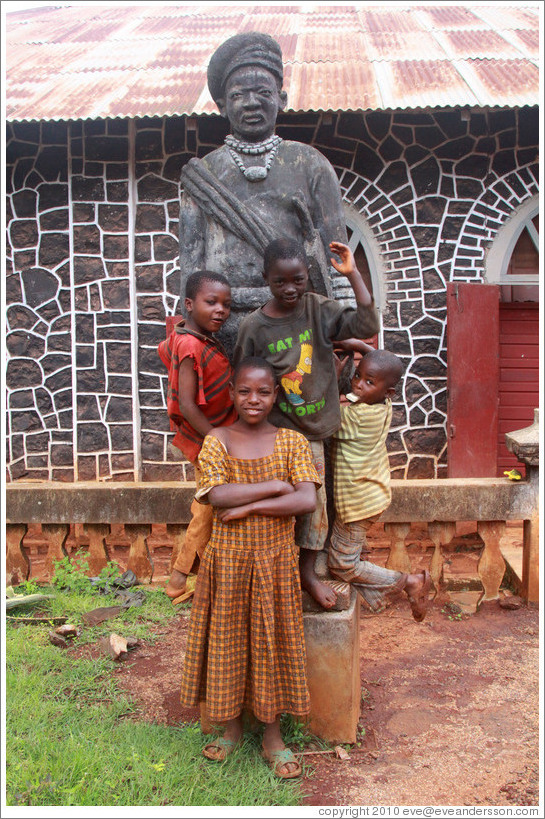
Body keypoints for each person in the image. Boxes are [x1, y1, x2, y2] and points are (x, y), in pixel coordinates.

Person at [180, 357, 320, 779]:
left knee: (271, 643)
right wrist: (276, 487)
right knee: (228, 644)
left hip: (275, 563)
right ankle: (231, 728)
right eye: (244, 391)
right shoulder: (217, 440)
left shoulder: (292, 442)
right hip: (226, 563)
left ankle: (273, 736)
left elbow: (306, 501)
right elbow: (217, 495)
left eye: (263, 392)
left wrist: (254, 505)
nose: (253, 399)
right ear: (232, 394)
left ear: (275, 395)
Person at [179, 32, 349, 354]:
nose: (252, 102)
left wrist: (341, 323)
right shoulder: (203, 174)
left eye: (263, 92)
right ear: (222, 105)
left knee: (299, 401)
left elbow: (337, 258)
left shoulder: (311, 164)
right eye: (239, 95)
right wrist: (195, 336)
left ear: (281, 99)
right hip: (223, 324)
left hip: (297, 321)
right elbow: (191, 265)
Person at [233, 238, 379, 610]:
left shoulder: (318, 309)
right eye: (280, 282)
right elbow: (244, 379)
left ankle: (324, 566)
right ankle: (307, 574)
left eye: (298, 280)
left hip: (328, 426)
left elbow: (366, 323)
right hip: (290, 432)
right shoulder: (254, 326)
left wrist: (354, 273)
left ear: (307, 277)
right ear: (266, 278)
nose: (290, 289)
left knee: (332, 503)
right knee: (312, 504)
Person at [328, 341, 431, 620]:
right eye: (357, 375)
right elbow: (363, 385)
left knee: (341, 564)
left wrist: (332, 378)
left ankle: (411, 582)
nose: (358, 384)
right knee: (347, 559)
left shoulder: (358, 416)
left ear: (388, 391)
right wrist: (356, 345)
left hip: (358, 502)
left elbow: (323, 418)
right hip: (370, 494)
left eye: (368, 381)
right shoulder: (381, 403)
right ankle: (378, 601)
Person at [157, 270, 236, 601]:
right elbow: (188, 405)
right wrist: (219, 440)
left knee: (209, 505)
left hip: (213, 434)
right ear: (189, 304)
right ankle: (177, 580)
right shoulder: (190, 345)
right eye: (211, 302)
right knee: (205, 507)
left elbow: (164, 349)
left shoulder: (185, 336)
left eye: (226, 304)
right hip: (208, 438)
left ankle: (202, 577)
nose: (221, 310)